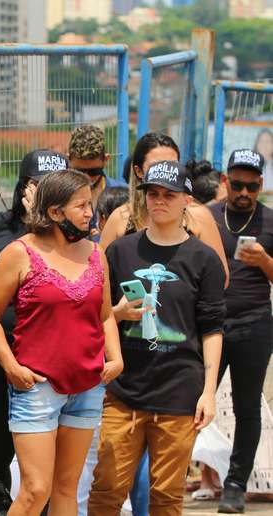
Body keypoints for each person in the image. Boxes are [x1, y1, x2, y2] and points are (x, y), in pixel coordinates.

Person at [89, 160, 226, 516]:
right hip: (124, 392)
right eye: (152, 193)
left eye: (169, 194)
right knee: (106, 489)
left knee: (166, 497)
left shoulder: (204, 259)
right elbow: (100, 316)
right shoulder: (120, 251)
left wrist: (208, 391)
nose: (159, 200)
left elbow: (211, 328)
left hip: (179, 392)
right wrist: (118, 313)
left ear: (187, 201)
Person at [0, 169, 123, 516]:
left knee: (67, 488)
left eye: (89, 204)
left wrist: (116, 358)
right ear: (55, 212)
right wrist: (10, 366)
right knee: (35, 490)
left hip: (88, 386)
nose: (90, 213)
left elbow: (105, 315)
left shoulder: (95, 254)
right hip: (37, 389)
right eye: (81, 205)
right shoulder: (18, 253)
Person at [0, 149, 68, 489]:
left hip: (48, 364)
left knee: (43, 471)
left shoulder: (71, 238)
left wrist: (45, 225)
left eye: (54, 188)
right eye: (38, 186)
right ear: (23, 188)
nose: (45, 194)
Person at [208, 149, 273, 513]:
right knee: (190, 404)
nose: (244, 193)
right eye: (237, 185)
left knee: (246, 407)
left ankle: (235, 483)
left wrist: (264, 261)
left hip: (254, 325)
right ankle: (173, 475)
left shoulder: (270, 221)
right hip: (210, 326)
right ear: (225, 182)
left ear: (261, 184)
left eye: (251, 186)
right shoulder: (207, 217)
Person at [100, 132, 229, 284]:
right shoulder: (121, 218)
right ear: (138, 171)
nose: (165, 172)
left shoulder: (198, 216)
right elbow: (101, 276)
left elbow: (220, 278)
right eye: (157, 166)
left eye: (172, 165)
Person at [67, 125, 127, 239]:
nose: (86, 178)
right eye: (79, 171)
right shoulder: (61, 197)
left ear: (106, 160)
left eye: (93, 171)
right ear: (68, 160)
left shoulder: (124, 195)